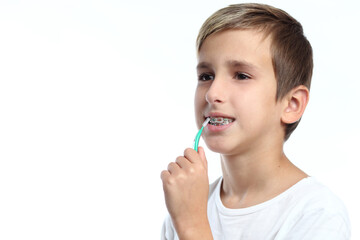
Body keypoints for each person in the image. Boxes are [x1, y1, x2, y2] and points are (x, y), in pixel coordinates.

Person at [160, 3, 351, 240]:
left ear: (291, 104)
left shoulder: (317, 214)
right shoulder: (188, 205)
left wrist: (192, 226)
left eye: (241, 75)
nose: (212, 93)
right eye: (206, 76)